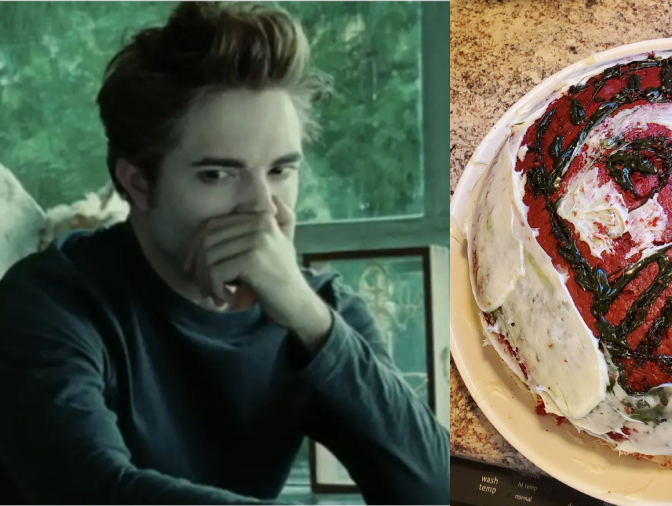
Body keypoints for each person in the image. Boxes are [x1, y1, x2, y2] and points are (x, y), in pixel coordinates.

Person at [0, 2, 449, 504]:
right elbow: (95, 490)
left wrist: (308, 318)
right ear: (138, 183)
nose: (263, 209)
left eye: (280, 170)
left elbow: (431, 489)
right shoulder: (48, 302)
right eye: (218, 175)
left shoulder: (316, 310)